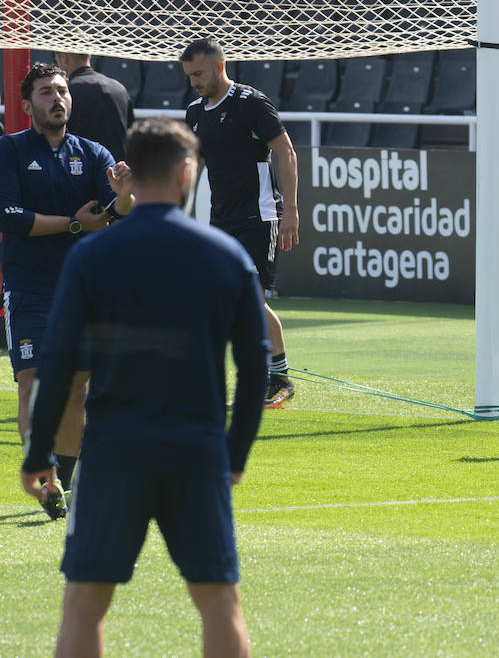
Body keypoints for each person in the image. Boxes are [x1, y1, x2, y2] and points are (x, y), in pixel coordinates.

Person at [20, 117, 270, 658]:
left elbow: (59, 364)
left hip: (113, 451)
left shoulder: (92, 255)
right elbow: (256, 369)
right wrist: (235, 452)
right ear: (187, 172)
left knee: (84, 604)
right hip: (196, 450)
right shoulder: (226, 256)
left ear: (129, 177)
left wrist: (39, 453)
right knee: (219, 604)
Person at [0, 63, 134, 519]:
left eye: (61, 91)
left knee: (77, 388)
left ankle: (64, 486)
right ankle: (45, 473)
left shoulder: (93, 153)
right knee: (34, 384)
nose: (57, 98)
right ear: (27, 104)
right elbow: (11, 218)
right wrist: (75, 224)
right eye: (45, 92)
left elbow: (113, 212)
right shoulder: (11, 150)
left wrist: (125, 196)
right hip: (30, 287)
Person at [181, 37, 299, 408]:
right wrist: (179, 215)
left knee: (249, 296)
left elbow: (285, 150)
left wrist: (291, 211)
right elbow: (194, 166)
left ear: (219, 66)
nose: (194, 82)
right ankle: (254, 378)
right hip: (221, 218)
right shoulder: (196, 111)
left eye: (198, 73)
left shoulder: (251, 103)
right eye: (188, 76)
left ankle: (278, 377)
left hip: (258, 214)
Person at [54, 51, 135, 162]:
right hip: (118, 172)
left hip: (80, 169)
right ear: (89, 55)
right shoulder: (119, 89)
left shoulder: (67, 93)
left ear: (65, 57)